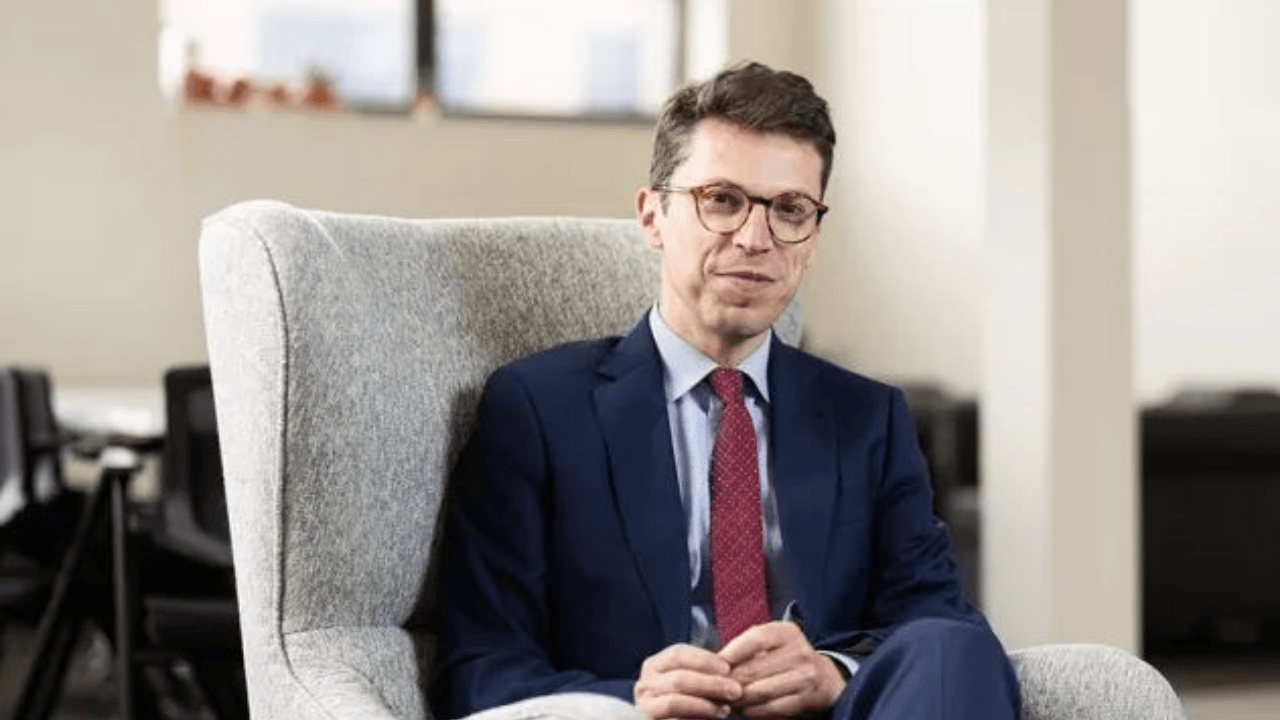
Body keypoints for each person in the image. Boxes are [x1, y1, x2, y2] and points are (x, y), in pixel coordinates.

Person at [432, 61, 1021, 720]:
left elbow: (941, 625)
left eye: (790, 210)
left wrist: (834, 671)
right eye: (722, 200)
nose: (755, 238)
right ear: (652, 215)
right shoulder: (538, 409)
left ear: (813, 237)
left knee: (954, 647)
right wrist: (633, 699)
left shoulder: (868, 417)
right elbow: (479, 671)